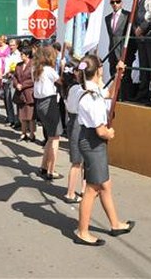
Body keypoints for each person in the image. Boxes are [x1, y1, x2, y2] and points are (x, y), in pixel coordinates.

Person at [74, 55, 134, 246]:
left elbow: (110, 93)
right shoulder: (91, 97)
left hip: (92, 141)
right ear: (99, 70)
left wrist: (118, 75)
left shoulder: (92, 89)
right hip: (93, 142)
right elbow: (101, 131)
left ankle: (115, 224)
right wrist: (110, 133)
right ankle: (82, 232)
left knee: (105, 185)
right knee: (92, 189)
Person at [33, 45, 63, 180]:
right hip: (49, 102)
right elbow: (60, 81)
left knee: (51, 137)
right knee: (55, 137)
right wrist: (62, 68)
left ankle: (44, 166)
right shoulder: (49, 70)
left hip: (40, 103)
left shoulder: (36, 69)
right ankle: (51, 169)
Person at [63, 61, 84, 204]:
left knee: (82, 161)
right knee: (77, 162)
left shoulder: (72, 88)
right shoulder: (80, 90)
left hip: (72, 121)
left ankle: (84, 189)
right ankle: (70, 193)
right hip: (78, 123)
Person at [104, 0, 131, 94]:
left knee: (125, 78)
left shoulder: (128, 15)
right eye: (112, 2)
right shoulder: (107, 18)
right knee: (113, 76)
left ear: (121, 2)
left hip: (124, 53)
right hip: (112, 52)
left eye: (117, 1)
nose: (115, 4)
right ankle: (115, 95)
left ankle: (124, 97)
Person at [12, 47, 35, 141]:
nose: (20, 56)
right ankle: (23, 133)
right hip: (20, 94)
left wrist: (23, 85)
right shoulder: (18, 65)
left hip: (29, 93)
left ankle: (32, 134)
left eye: (22, 54)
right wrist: (16, 84)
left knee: (30, 115)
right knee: (22, 115)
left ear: (27, 55)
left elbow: (33, 79)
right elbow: (15, 77)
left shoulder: (33, 65)